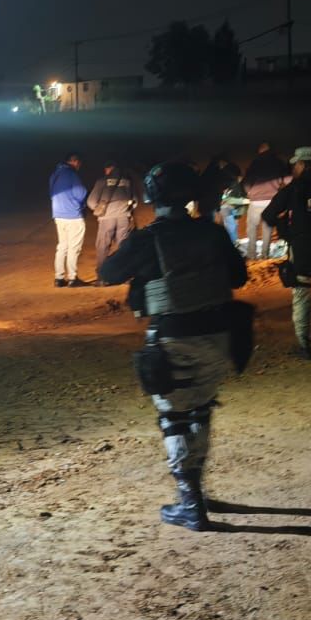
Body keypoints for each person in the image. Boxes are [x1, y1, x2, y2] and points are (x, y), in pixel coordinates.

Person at [98, 160, 247, 531]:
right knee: (201, 410)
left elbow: (108, 272)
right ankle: (196, 492)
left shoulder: (150, 238)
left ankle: (190, 503)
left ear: (154, 195)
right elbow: (238, 277)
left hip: (173, 336)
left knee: (174, 417)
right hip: (218, 336)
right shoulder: (211, 233)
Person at [265, 146, 311, 360]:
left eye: (296, 165)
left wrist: (285, 231)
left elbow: (269, 214)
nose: (294, 168)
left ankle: (304, 346)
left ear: (302, 165)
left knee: (301, 298)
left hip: (301, 253)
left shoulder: (293, 189)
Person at [88, 160, 138, 276]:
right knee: (123, 246)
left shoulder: (102, 181)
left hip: (107, 218)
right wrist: (126, 210)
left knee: (103, 246)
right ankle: (124, 274)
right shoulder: (127, 181)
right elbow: (135, 201)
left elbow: (91, 201)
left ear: (109, 169)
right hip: (123, 218)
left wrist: (100, 209)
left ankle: (102, 276)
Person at [242, 142, 290, 260]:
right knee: (267, 229)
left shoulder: (255, 162)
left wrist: (249, 193)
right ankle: (265, 255)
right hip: (272, 200)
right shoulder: (278, 162)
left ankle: (252, 255)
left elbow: (247, 181)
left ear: (260, 150)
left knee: (252, 228)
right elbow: (287, 179)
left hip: (256, 201)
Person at [49, 151, 89, 287]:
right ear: (75, 161)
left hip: (58, 215)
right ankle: (72, 278)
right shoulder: (72, 174)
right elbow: (81, 193)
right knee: (73, 248)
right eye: (79, 163)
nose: (79, 166)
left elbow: (51, 192)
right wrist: (81, 205)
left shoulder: (55, 174)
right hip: (73, 216)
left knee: (62, 247)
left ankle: (59, 278)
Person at [200, 155, 244, 244]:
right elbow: (221, 192)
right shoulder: (220, 175)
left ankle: (229, 242)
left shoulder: (213, 173)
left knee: (227, 225)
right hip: (215, 204)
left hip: (214, 204)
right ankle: (230, 242)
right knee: (226, 225)